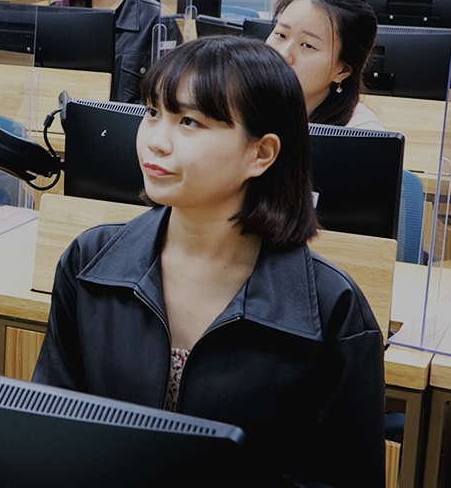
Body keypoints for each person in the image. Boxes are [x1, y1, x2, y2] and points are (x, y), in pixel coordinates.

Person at [33, 36, 384, 488]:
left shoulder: (333, 308)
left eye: (189, 122)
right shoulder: (88, 261)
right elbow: (52, 434)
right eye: (152, 112)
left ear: (261, 153)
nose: (156, 141)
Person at [266, 0, 384, 129]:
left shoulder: (361, 132)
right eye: (281, 35)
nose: (283, 55)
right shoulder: (243, 102)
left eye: (307, 45)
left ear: (343, 71)